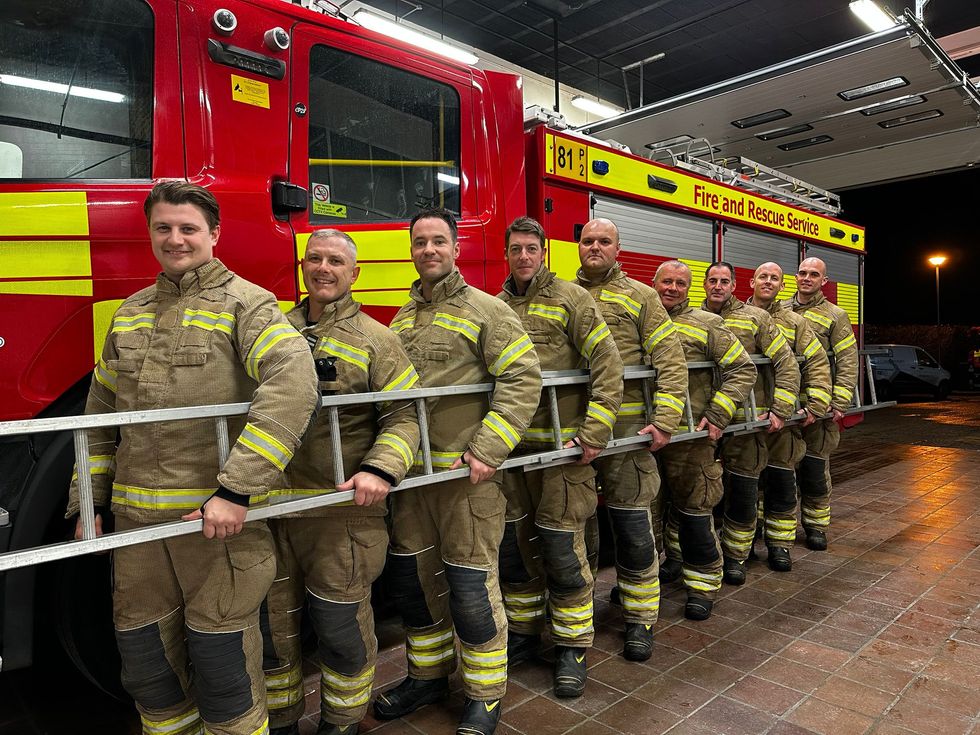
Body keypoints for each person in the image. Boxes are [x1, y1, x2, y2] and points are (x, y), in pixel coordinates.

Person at [66, 181, 319, 735]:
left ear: (214, 234)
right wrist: (88, 502)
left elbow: (295, 383)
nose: (175, 239)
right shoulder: (129, 314)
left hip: (215, 530)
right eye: (164, 227)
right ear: (150, 232)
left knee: (224, 675)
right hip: (138, 537)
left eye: (188, 228)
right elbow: (99, 414)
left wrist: (237, 489)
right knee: (147, 671)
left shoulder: (246, 303)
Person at [375, 208, 541, 735]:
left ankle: (486, 694)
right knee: (415, 586)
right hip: (413, 481)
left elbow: (523, 378)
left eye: (438, 241)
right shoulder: (402, 319)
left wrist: (487, 449)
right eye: (420, 242)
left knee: (470, 586)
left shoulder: (488, 310)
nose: (429, 250)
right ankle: (426, 676)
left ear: (456, 248)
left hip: (467, 479)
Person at [264, 230, 421, 735]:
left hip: (340, 513)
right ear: (302, 266)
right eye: (315, 259)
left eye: (336, 261)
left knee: (340, 629)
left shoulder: (378, 340)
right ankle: (283, 720)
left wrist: (380, 469)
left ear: (355, 274)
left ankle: (343, 722)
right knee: (274, 632)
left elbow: (405, 417)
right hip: (270, 512)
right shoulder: (273, 331)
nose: (324, 268)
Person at [496, 216, 623, 697]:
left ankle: (572, 647)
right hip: (513, 455)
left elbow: (607, 363)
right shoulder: (498, 305)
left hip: (562, 455)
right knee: (518, 551)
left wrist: (595, 430)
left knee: (564, 551)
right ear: (507, 253)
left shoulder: (573, 299)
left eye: (531, 248)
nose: (523, 256)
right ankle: (525, 636)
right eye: (515, 249)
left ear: (544, 251)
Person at [575, 218, 688, 661]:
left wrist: (664, 421)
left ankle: (640, 621)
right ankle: (576, 618)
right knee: (578, 532)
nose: (595, 246)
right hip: (577, 435)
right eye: (588, 240)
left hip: (626, 436)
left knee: (634, 530)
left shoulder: (641, 297)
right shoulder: (566, 295)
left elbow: (671, 361)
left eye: (604, 240)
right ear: (578, 246)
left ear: (618, 248)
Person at [652, 261, 756, 620]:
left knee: (695, 512)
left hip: (688, 438)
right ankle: (657, 576)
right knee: (647, 517)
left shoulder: (707, 324)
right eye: (667, 281)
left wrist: (717, 414)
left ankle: (702, 586)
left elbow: (743, 369)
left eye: (681, 283)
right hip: (640, 438)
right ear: (654, 282)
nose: (673, 288)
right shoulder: (638, 320)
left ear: (689, 288)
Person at [701, 261, 799, 586]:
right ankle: (685, 559)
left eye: (724, 281)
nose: (718, 286)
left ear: (734, 285)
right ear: (705, 283)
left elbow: (787, 363)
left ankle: (736, 557)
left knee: (742, 494)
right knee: (697, 494)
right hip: (700, 426)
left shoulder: (756, 318)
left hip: (743, 424)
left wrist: (781, 407)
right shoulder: (688, 318)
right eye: (712, 280)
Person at [748, 262, 832, 571]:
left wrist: (815, 406)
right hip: (744, 422)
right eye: (763, 276)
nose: (768, 282)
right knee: (746, 487)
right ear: (751, 281)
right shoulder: (731, 318)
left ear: (783, 285)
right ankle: (747, 542)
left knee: (782, 482)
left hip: (782, 420)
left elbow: (818, 365)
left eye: (774, 278)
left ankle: (780, 545)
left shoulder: (795, 323)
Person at [783, 257, 858, 551]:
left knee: (814, 469)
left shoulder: (835, 315)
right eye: (802, 272)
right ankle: (782, 529)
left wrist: (839, 400)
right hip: (786, 404)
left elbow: (848, 360)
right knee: (782, 471)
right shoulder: (782, 310)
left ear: (824, 281)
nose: (806, 278)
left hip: (820, 405)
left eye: (814, 274)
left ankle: (815, 527)